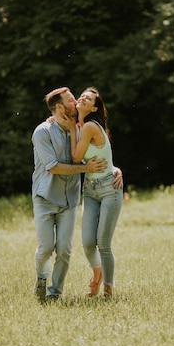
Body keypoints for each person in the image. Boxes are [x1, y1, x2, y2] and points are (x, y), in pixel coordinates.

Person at [31, 87, 122, 303]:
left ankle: (55, 294)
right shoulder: (44, 132)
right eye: (73, 99)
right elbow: (56, 166)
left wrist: (114, 169)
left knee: (65, 249)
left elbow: (98, 152)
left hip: (73, 198)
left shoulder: (80, 127)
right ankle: (41, 278)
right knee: (46, 248)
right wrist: (86, 168)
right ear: (61, 107)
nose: (77, 101)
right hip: (46, 197)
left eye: (79, 98)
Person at [63, 87, 123, 299]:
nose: (82, 98)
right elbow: (103, 155)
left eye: (87, 98)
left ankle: (108, 288)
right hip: (90, 190)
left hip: (109, 189)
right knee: (88, 242)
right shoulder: (82, 125)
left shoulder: (88, 126)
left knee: (103, 243)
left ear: (94, 107)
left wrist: (71, 130)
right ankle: (96, 274)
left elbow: (77, 157)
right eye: (82, 96)